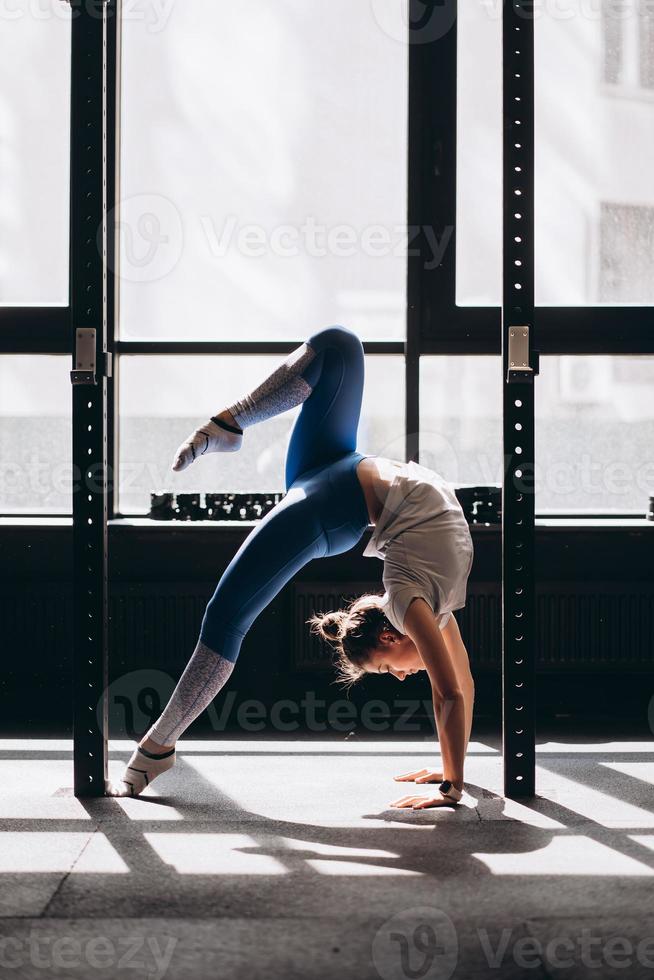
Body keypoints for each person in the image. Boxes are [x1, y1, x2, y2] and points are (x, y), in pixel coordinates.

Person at [107, 325, 475, 808]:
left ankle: (157, 746)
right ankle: (230, 423)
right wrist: (452, 785)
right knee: (341, 346)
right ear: (390, 637)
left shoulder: (419, 604)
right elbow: (454, 691)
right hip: (334, 473)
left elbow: (453, 689)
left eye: (388, 672)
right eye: (389, 669)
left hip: (330, 499)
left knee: (225, 617)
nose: (402, 677)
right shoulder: (414, 607)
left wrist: (452, 772)